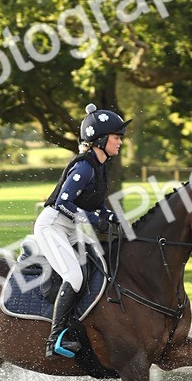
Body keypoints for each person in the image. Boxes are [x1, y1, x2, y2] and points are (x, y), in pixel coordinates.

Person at [34, 103, 131, 358]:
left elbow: (97, 206)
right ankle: (54, 341)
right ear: (100, 140)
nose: (120, 142)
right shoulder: (84, 167)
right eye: (116, 137)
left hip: (69, 226)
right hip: (53, 225)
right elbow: (63, 202)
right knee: (75, 277)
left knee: (98, 263)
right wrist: (92, 218)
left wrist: (115, 219)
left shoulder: (99, 168)